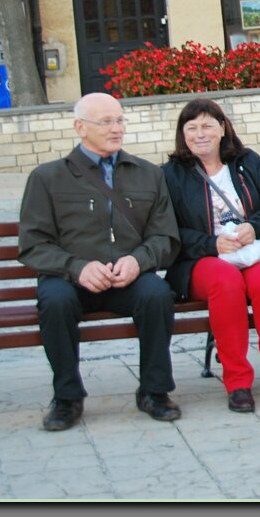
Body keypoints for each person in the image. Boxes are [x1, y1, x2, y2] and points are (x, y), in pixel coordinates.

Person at [18, 93, 182, 431]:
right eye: (106, 121)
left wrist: (138, 261)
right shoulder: (47, 178)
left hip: (128, 277)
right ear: (80, 127)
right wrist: (77, 268)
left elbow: (165, 237)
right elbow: (33, 244)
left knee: (157, 294)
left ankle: (154, 391)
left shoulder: (148, 174)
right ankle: (67, 398)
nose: (116, 128)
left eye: (120, 120)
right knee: (54, 301)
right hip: (70, 279)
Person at [161, 98, 260, 413]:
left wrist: (255, 226)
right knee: (226, 283)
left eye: (207, 125)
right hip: (201, 261)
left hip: (252, 251)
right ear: (182, 134)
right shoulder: (171, 174)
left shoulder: (246, 161)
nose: (200, 134)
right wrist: (211, 244)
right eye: (192, 127)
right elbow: (166, 230)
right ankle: (238, 382)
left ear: (222, 128)